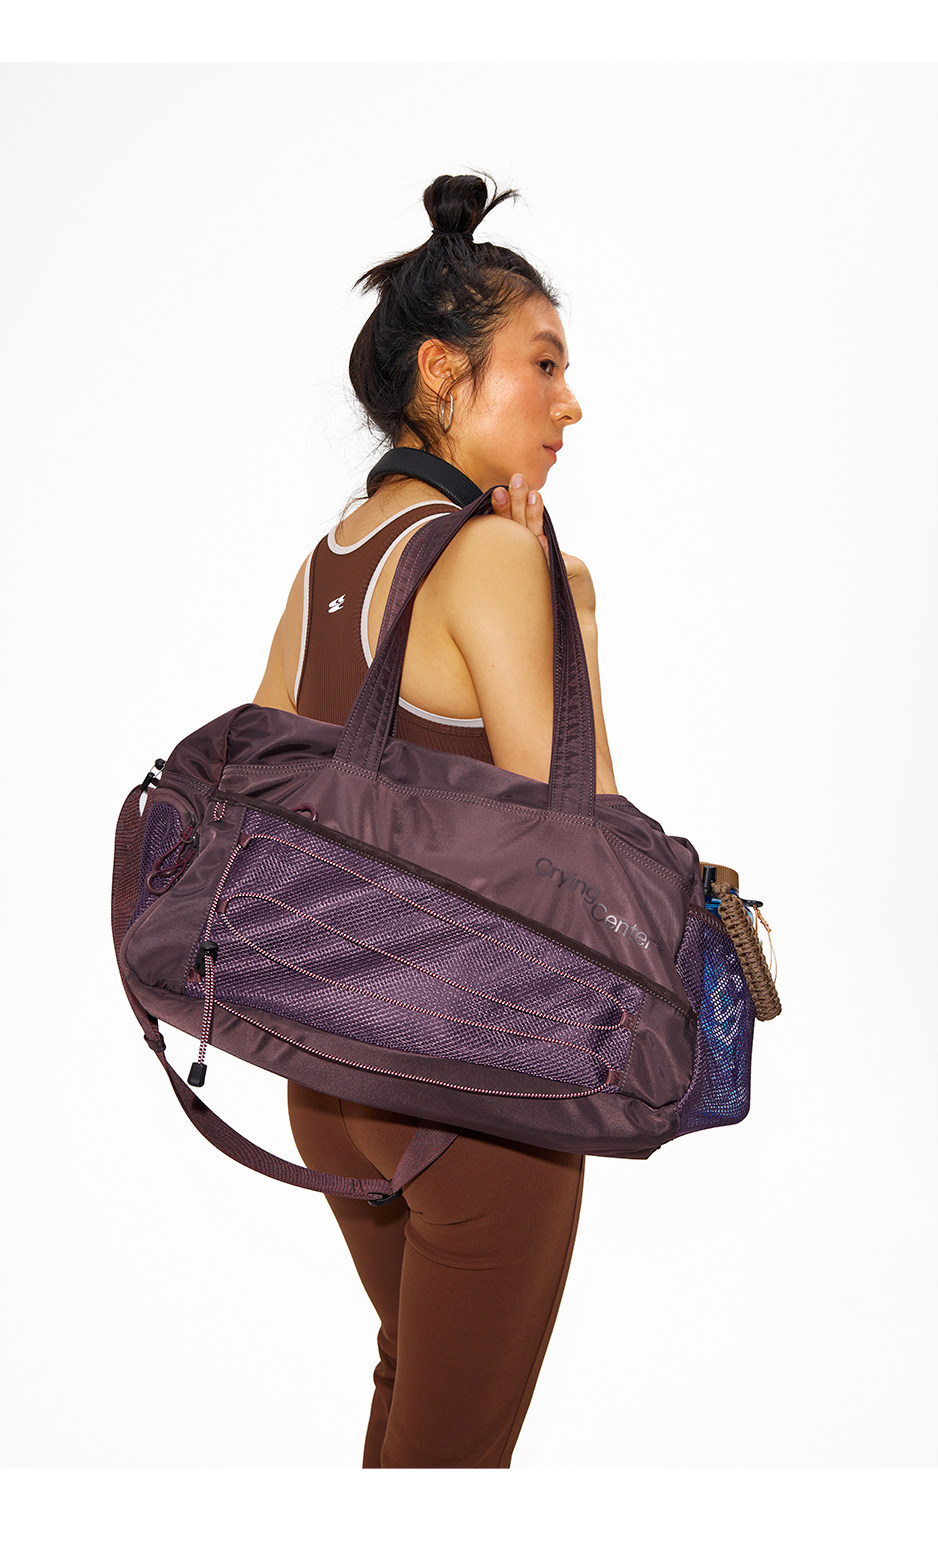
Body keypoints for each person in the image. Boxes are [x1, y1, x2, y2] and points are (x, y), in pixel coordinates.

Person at [254, 172, 620, 1468]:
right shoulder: (494, 558)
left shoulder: (330, 562)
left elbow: (269, 806)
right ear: (441, 372)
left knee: (413, 1404)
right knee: (454, 1467)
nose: (571, 403)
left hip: (326, 1075)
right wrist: (574, 614)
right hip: (469, 1087)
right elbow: (589, 850)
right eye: (544, 364)